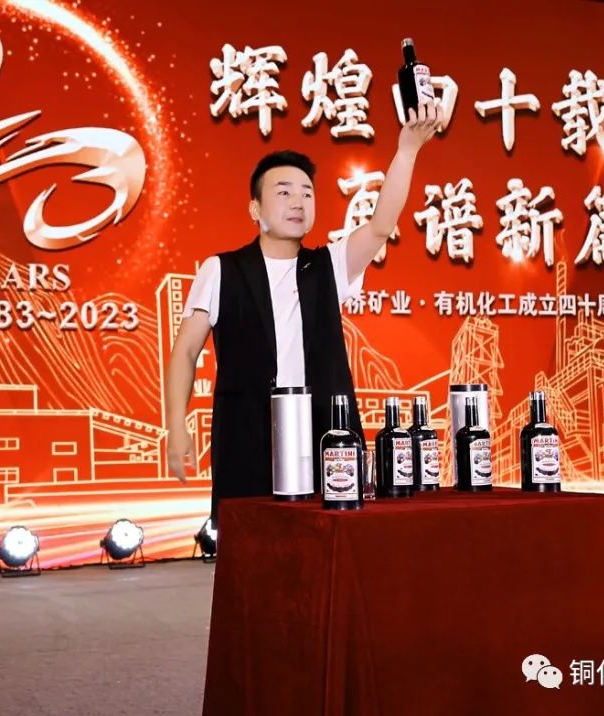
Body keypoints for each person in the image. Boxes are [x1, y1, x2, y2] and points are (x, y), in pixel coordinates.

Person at [164, 102, 442, 521]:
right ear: (255, 209)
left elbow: (380, 226)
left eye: (307, 193)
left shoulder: (329, 265)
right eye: (284, 193)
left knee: (330, 541)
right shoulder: (221, 270)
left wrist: (407, 150)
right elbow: (185, 351)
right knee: (251, 542)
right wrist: (176, 426)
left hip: (325, 435)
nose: (298, 202)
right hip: (248, 434)